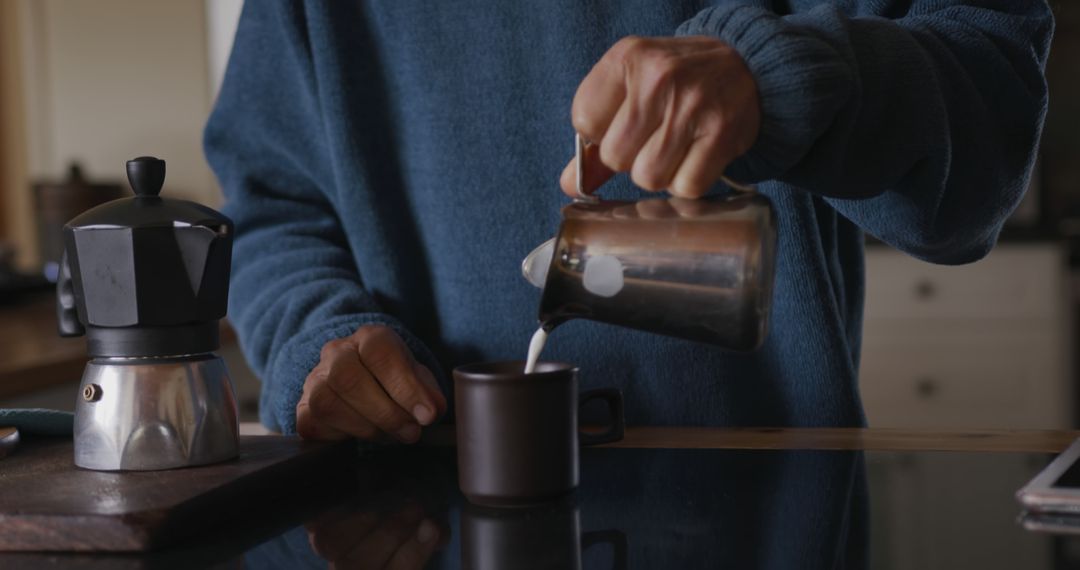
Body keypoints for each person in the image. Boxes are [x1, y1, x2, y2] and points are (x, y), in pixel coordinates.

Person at [204, 1, 1053, 440]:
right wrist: (321, 340)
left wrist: (782, 77)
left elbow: (989, 113)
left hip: (757, 512)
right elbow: (272, 205)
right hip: (412, 520)